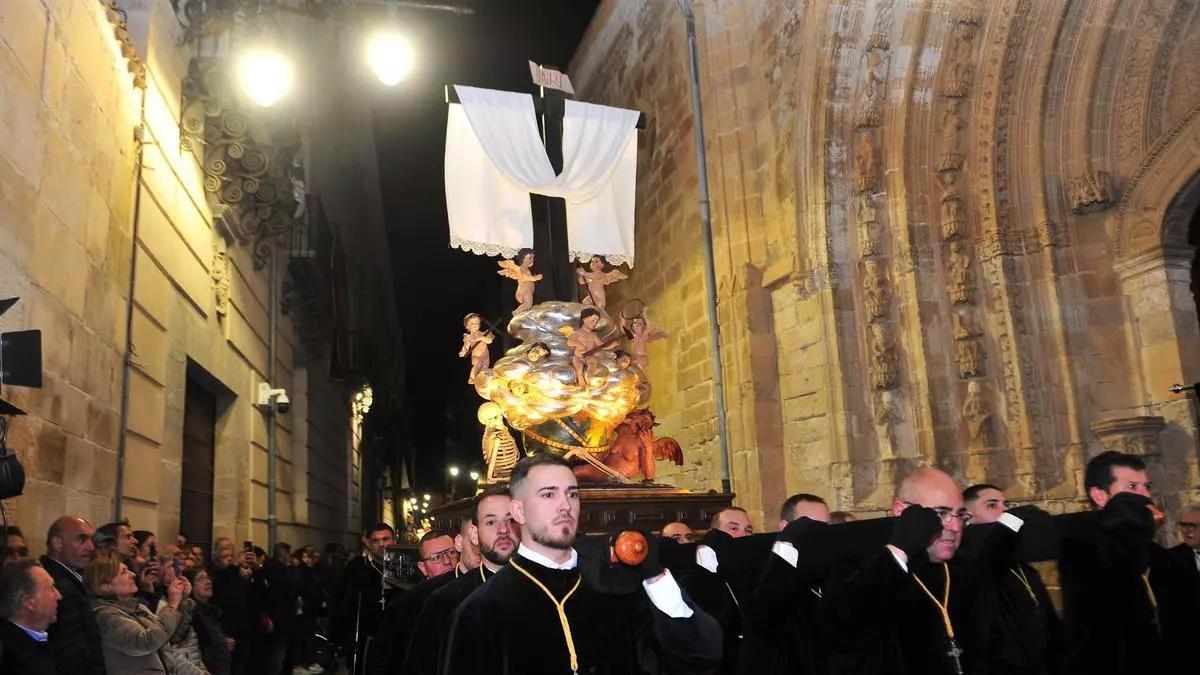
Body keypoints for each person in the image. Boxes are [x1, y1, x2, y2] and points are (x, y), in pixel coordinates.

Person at [441, 453, 722, 675]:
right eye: (549, 494)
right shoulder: (480, 612)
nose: (565, 505)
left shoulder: (617, 590)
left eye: (572, 494)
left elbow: (699, 658)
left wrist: (655, 576)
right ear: (518, 510)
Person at [821, 467, 993, 674]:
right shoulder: (858, 569)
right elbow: (840, 629)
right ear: (901, 512)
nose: (955, 527)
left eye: (960, 515)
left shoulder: (966, 571)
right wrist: (899, 551)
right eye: (941, 513)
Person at [1058, 451, 1197, 674]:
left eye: (1147, 487)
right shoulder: (1081, 549)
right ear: (1100, 496)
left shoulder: (1162, 557)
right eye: (1132, 487)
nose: (1146, 497)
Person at [401, 487, 521, 675]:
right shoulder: (444, 602)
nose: (503, 530)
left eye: (511, 519)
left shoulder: (547, 591)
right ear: (474, 534)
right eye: (491, 522)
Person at [963, 483, 1061, 675]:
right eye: (992, 505)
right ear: (967, 518)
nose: (1004, 510)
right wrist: (1013, 520)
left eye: (1005, 504)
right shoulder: (971, 564)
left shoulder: (1025, 569)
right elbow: (991, 551)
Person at [741, 494, 833, 675]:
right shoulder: (764, 574)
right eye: (811, 526)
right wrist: (787, 542)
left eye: (827, 527)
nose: (821, 534)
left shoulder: (831, 569)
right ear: (785, 527)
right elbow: (766, 614)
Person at [87, 554, 188, 674]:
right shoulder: (105, 616)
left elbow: (168, 636)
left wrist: (181, 600)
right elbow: (145, 642)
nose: (133, 574)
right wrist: (171, 606)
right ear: (105, 586)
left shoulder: (137, 607)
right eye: (124, 572)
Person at [41, 515, 107, 675]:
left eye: (92, 540)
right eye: (81, 539)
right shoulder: (59, 585)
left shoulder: (68, 578)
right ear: (58, 543)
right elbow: (71, 652)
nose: (91, 547)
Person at [332, 523, 395, 675]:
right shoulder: (356, 568)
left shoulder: (405, 566)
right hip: (366, 636)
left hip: (396, 636)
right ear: (368, 543)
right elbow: (343, 601)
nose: (381, 544)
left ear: (394, 540)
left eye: (386, 539)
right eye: (376, 541)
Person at [0, 559, 61, 673]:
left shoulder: (35, 644)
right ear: (29, 602)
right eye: (52, 588)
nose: (59, 596)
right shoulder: (11, 660)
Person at [211, 537, 254, 675]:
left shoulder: (236, 573)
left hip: (242, 632)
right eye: (224, 549)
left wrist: (255, 571)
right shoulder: (213, 573)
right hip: (224, 632)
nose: (229, 555)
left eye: (231, 550)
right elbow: (223, 595)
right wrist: (234, 566)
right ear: (216, 554)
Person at [256, 542, 300, 675]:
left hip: (274, 618)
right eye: (288, 554)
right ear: (284, 555)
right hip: (281, 619)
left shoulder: (268, 569)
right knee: (278, 656)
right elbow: (292, 586)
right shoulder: (280, 570)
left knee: (274, 656)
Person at [184, 566, 233, 675]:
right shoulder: (192, 612)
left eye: (207, 578)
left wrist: (223, 641)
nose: (208, 582)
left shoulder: (211, 611)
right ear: (190, 586)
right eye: (201, 579)